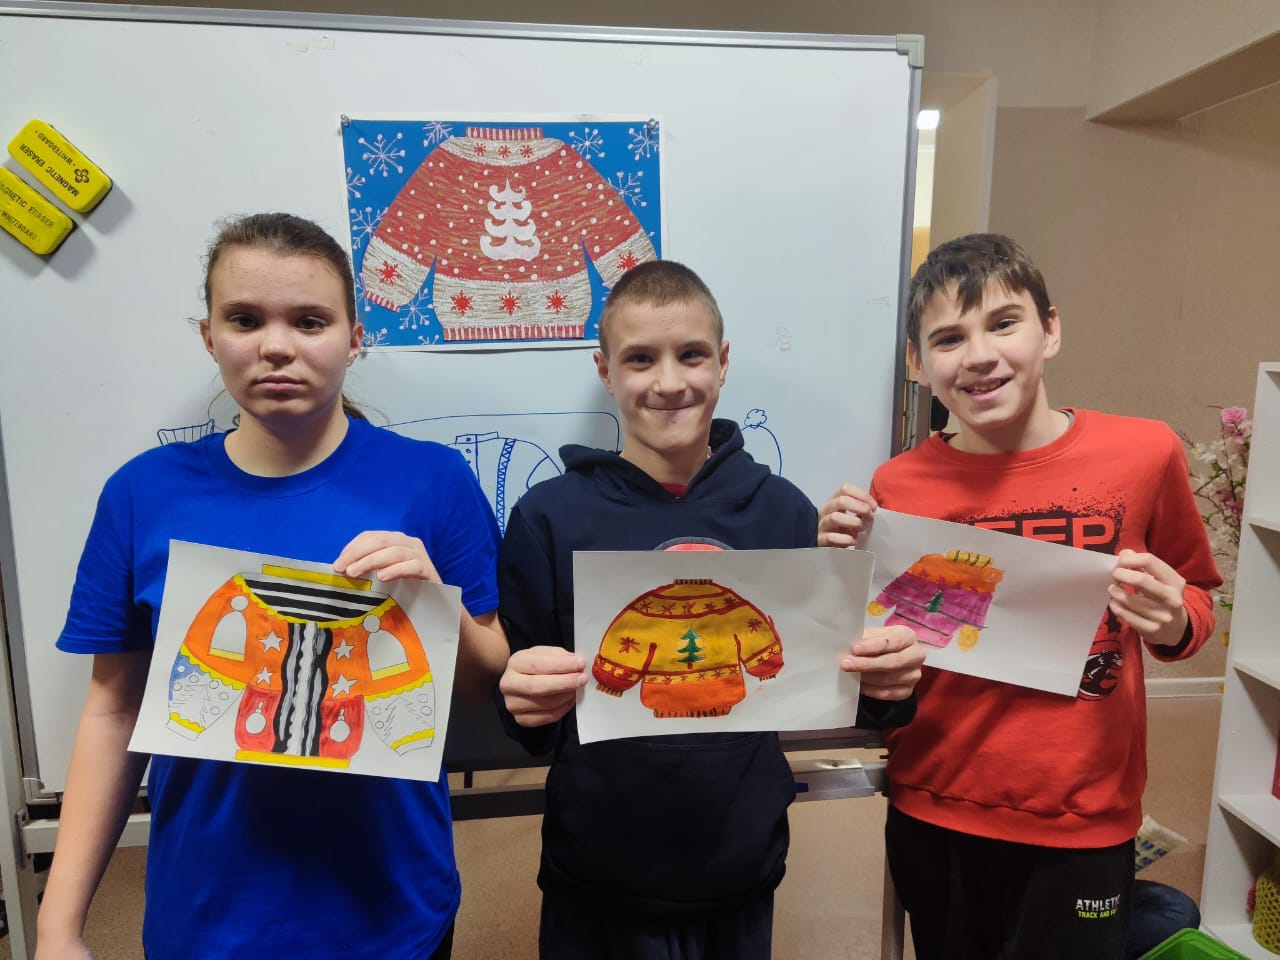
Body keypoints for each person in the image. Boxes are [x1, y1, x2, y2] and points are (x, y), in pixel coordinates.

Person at [35, 213, 508, 960]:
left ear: (355, 338)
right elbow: (114, 711)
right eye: (245, 320)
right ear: (209, 336)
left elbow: (486, 681)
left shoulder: (434, 481)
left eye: (310, 321)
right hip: (209, 912)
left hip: (392, 908)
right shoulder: (142, 494)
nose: (277, 346)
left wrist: (431, 600)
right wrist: (58, 927)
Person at [497, 259, 925, 960]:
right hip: (597, 868)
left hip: (739, 866)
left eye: (691, 355)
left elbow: (833, 687)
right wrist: (518, 697)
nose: (669, 382)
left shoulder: (784, 512)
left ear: (723, 363)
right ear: (605, 370)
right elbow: (525, 713)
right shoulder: (546, 517)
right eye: (640, 359)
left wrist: (888, 685)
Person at [818, 233, 1222, 960]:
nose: (979, 355)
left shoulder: (1144, 453)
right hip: (935, 802)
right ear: (918, 363)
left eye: (1004, 323)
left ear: (1050, 330)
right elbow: (885, 653)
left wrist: (1170, 623)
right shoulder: (897, 487)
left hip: (1085, 812)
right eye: (949, 338)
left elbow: (1197, 601)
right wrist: (838, 573)